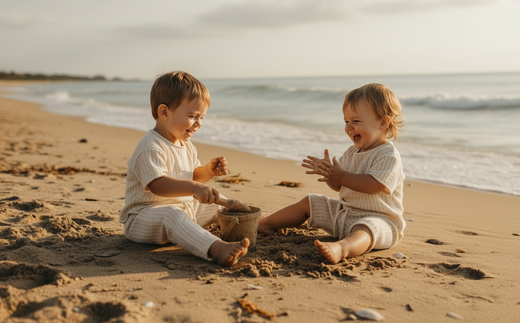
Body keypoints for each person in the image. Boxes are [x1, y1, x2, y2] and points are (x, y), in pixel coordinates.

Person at [258, 83, 406, 264]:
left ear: (383, 122)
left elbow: (376, 185)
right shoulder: (352, 152)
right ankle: (267, 223)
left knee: (366, 229)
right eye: (346, 121)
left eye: (356, 121)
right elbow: (339, 186)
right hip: (345, 214)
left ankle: (342, 248)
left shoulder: (388, 154)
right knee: (310, 202)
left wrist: (341, 176)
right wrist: (331, 176)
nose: (349, 127)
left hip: (381, 221)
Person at [119, 71, 249, 266]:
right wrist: (193, 188)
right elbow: (158, 185)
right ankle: (217, 248)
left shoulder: (185, 145)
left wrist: (209, 171)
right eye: (192, 116)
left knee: (218, 203)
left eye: (202, 118)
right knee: (174, 216)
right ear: (164, 112)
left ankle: (256, 224)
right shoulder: (150, 146)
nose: (198, 124)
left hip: (183, 208)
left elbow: (194, 176)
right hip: (144, 217)